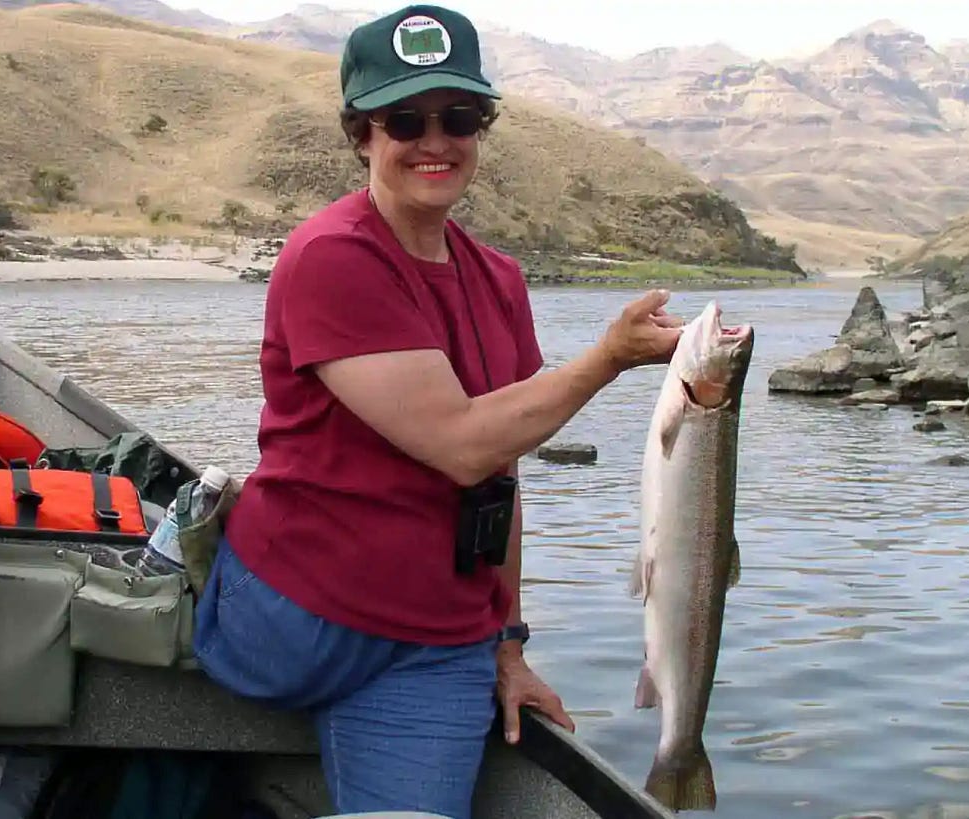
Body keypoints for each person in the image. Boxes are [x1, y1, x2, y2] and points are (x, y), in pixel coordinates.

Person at [189, 4, 683, 818]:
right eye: (404, 119)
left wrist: (509, 641)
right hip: (296, 616)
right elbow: (458, 444)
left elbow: (501, 466)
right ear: (361, 135)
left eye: (459, 117)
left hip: (433, 642)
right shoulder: (331, 257)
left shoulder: (500, 279)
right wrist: (608, 358)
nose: (434, 140)